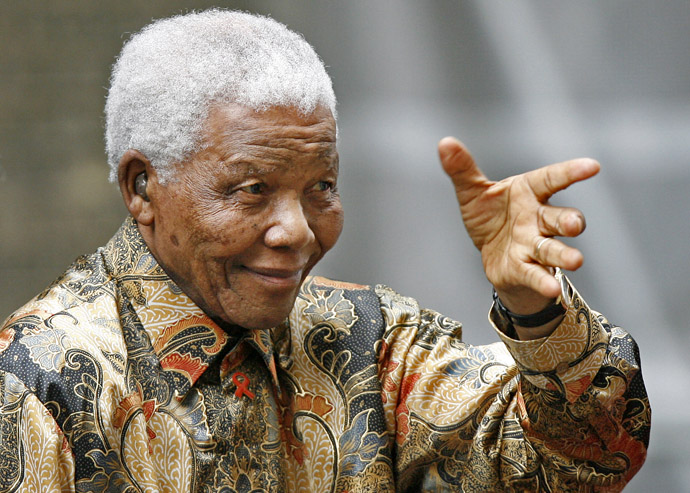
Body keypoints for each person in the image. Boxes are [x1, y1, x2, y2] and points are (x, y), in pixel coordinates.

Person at [0, 9, 649, 492]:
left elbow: (583, 462)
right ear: (143, 186)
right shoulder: (37, 383)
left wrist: (534, 308)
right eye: (253, 189)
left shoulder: (370, 341)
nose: (299, 231)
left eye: (322, 188)